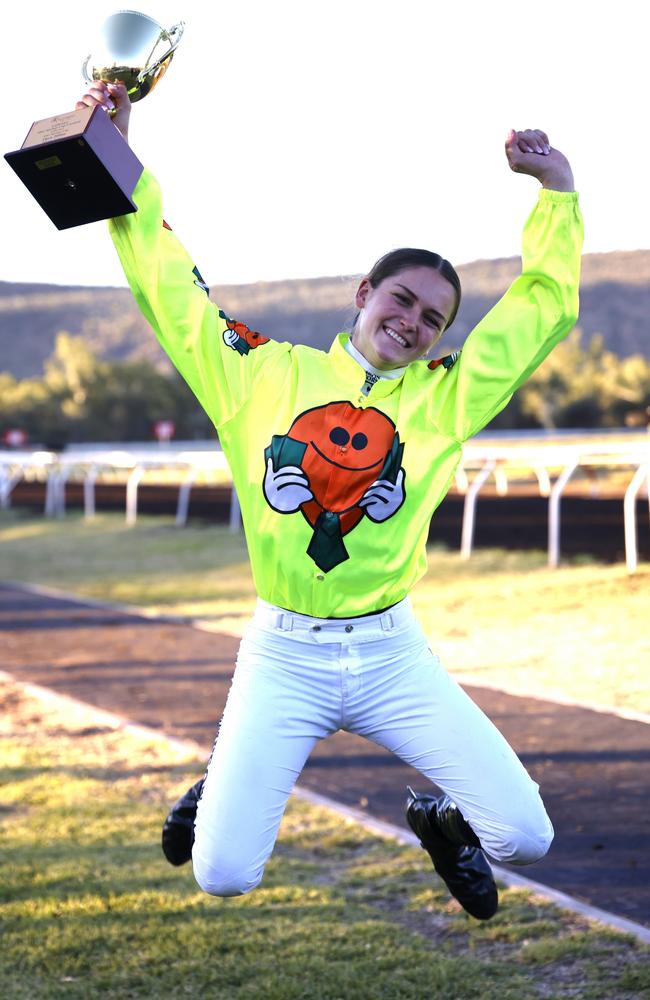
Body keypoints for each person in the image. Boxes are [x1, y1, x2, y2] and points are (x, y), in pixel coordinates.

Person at [76, 81, 582, 921]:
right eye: (401, 300)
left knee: (526, 837)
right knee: (223, 875)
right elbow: (166, 285)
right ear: (362, 296)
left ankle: (443, 822)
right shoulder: (259, 371)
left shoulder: (444, 397)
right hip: (285, 656)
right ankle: (225, 783)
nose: (413, 323)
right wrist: (116, 154)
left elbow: (543, 312)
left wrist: (557, 194)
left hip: (392, 656)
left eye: (433, 319)